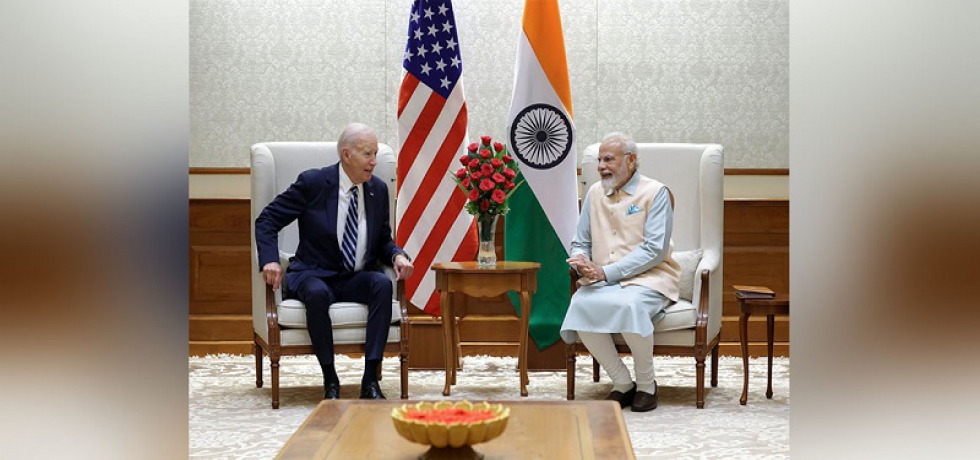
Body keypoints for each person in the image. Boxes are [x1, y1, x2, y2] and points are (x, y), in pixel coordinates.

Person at [254, 123, 414, 400]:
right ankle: (330, 379)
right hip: (314, 274)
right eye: (367, 154)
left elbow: (382, 239)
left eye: (375, 153)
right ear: (346, 154)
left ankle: (370, 381)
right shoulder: (314, 183)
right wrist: (270, 261)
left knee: (381, 285)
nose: (374, 162)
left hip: (354, 276)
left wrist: (397, 254)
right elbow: (267, 220)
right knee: (316, 294)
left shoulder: (376, 189)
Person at [560, 132, 681, 412]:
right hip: (603, 278)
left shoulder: (655, 192)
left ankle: (647, 385)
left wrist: (605, 272)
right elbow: (581, 240)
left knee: (630, 305)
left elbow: (654, 250)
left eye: (609, 159)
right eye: (599, 160)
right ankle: (623, 383)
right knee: (580, 305)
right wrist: (581, 261)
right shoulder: (593, 193)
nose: (601, 166)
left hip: (651, 277)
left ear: (632, 160)